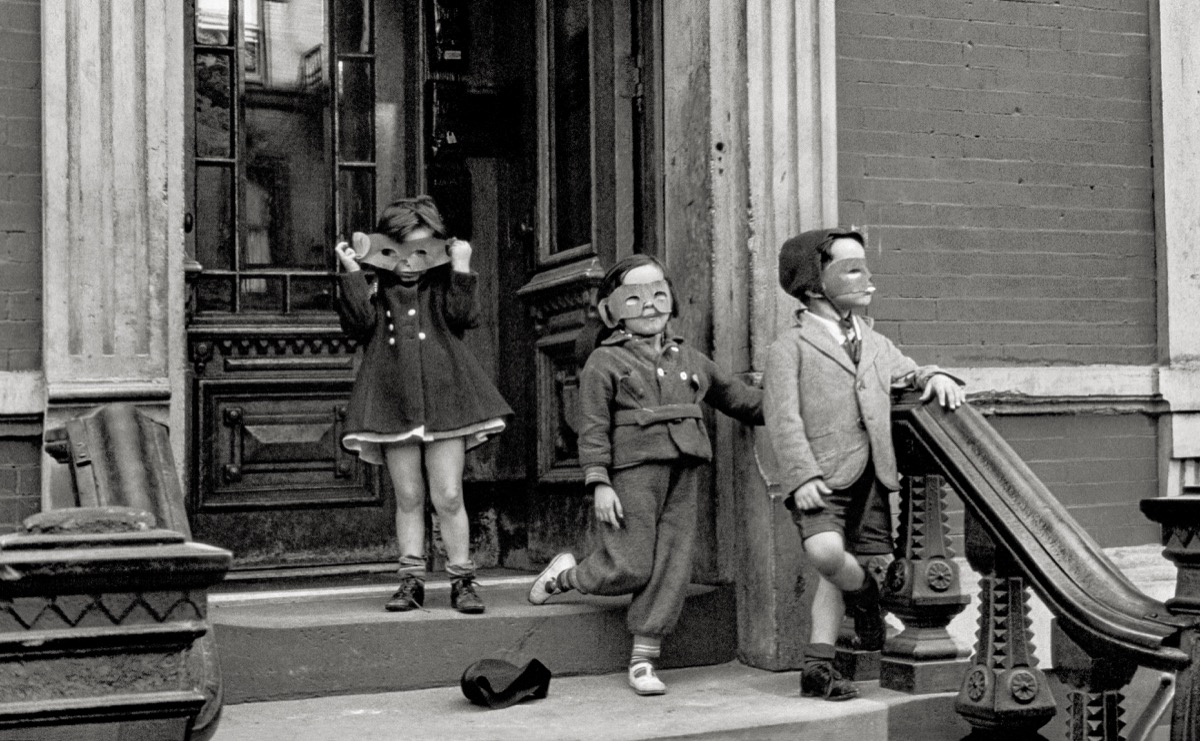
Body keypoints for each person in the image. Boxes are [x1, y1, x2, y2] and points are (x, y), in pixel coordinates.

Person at [527, 254, 763, 696]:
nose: (650, 306)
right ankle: (567, 576)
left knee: (672, 563)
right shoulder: (604, 362)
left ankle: (643, 659)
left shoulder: (690, 358)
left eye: (658, 294)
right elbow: (592, 428)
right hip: (632, 474)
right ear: (611, 311)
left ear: (671, 300)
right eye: (634, 298)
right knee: (631, 564)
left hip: (685, 468)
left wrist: (794, 403)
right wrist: (599, 482)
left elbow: (740, 399)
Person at [763, 227, 964, 701]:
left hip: (872, 475)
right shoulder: (789, 347)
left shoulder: (874, 342)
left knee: (851, 565)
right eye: (852, 269)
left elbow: (906, 370)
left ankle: (818, 667)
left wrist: (933, 376)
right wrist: (802, 475)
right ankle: (869, 603)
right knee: (827, 555)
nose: (867, 279)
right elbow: (782, 417)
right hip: (820, 476)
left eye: (865, 267)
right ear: (815, 285)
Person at [334, 195, 512, 615]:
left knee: (448, 494)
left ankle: (462, 579)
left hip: (446, 398)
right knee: (409, 495)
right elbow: (358, 325)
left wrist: (462, 267)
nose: (409, 263)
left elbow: (464, 317)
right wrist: (353, 272)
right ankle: (411, 580)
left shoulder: (443, 283)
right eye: (398, 250)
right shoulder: (376, 285)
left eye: (421, 250)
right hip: (393, 400)